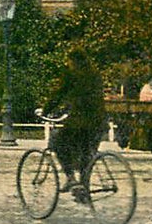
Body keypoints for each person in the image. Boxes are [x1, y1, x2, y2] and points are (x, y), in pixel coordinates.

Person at [44, 48, 106, 193]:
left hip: (81, 119)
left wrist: (46, 109)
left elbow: (59, 93)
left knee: (58, 143)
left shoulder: (72, 74)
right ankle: (83, 189)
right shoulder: (95, 74)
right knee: (86, 153)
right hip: (99, 120)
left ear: (73, 61)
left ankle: (71, 178)